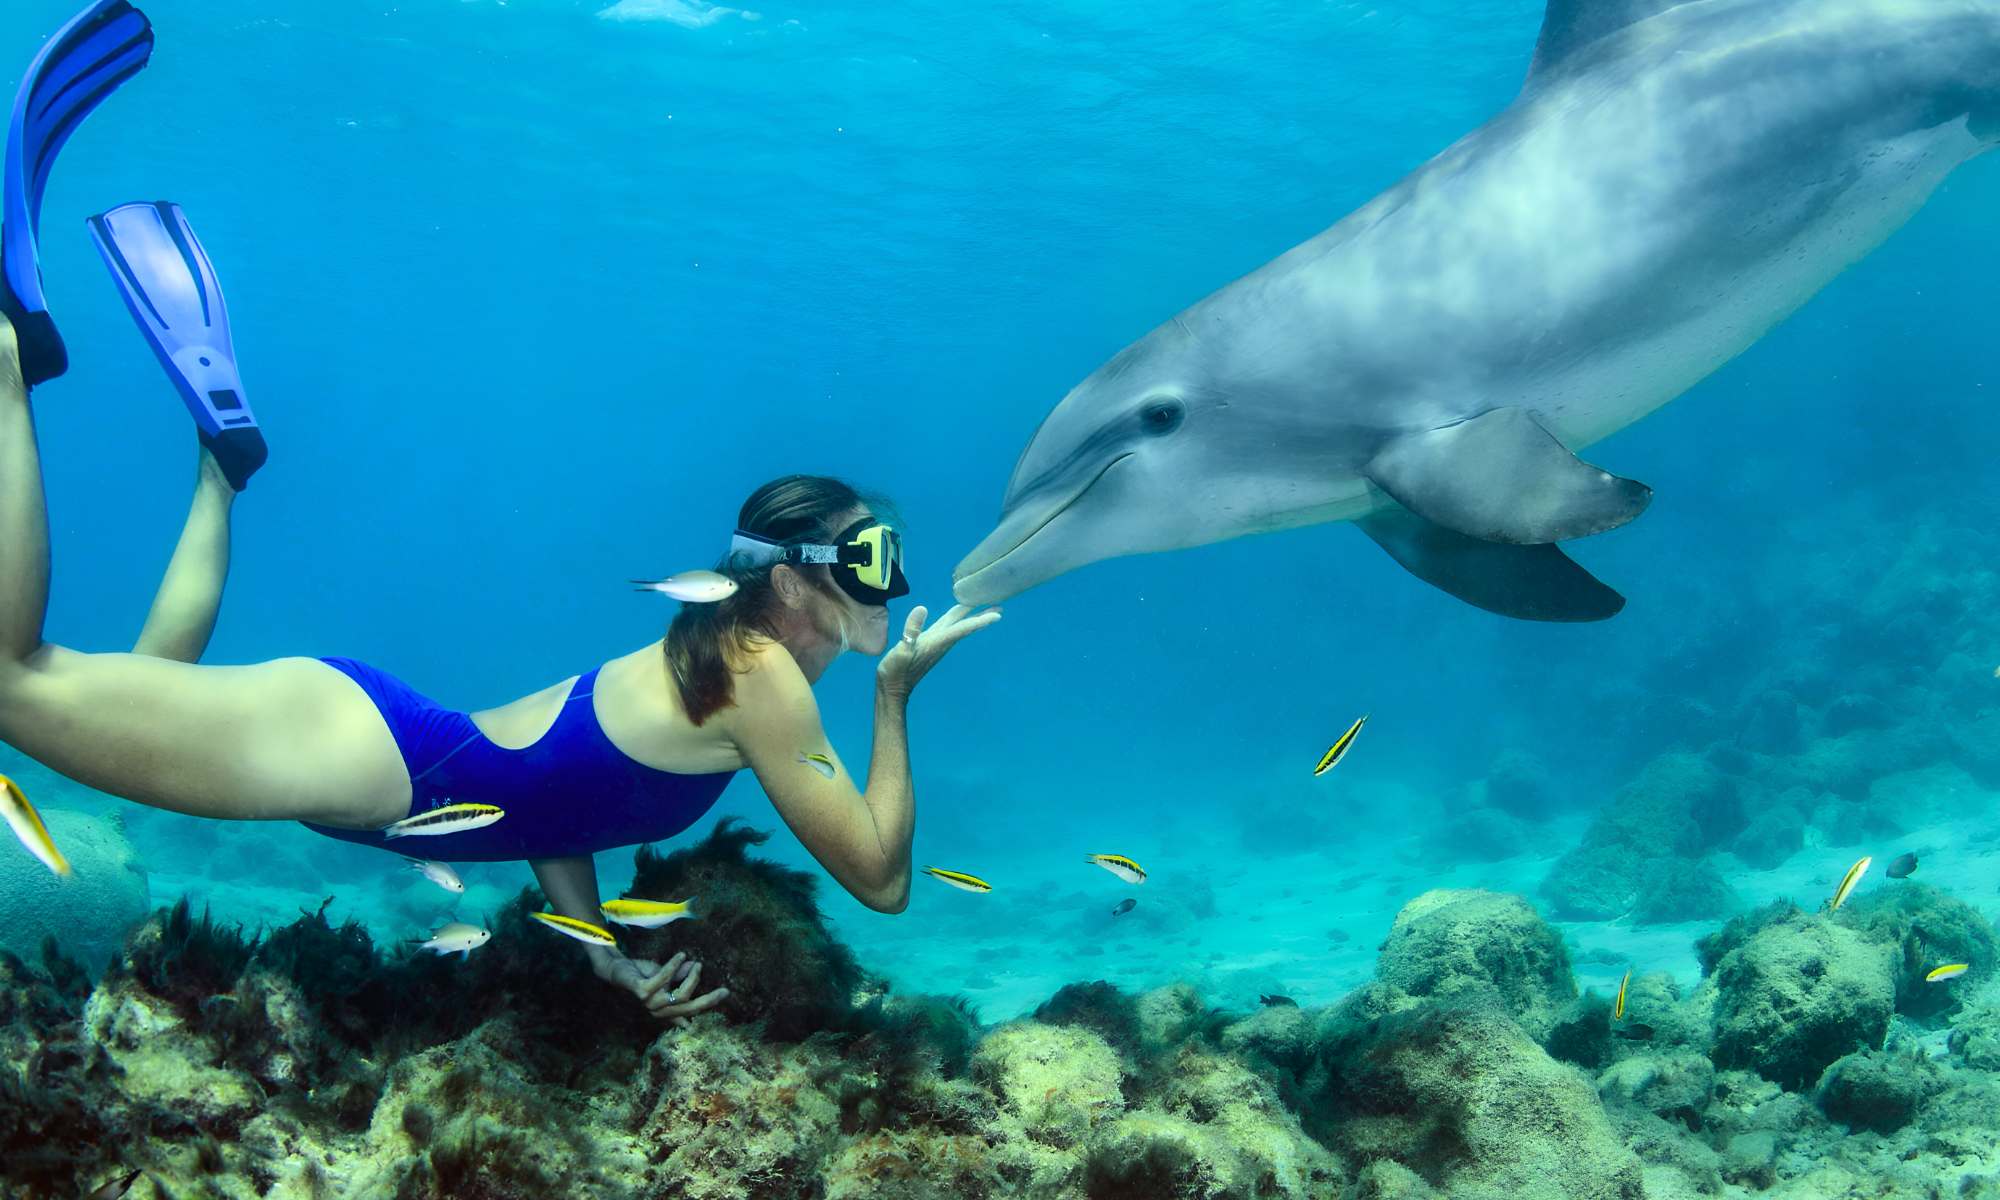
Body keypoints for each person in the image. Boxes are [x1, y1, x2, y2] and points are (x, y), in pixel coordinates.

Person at [0, 312, 1001, 1020]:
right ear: (788, 581)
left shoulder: (715, 658)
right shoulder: (759, 675)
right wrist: (893, 697)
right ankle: (9, 354)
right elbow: (881, 881)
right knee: (15, 681)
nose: (892, 580)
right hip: (365, 754)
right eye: (869, 557)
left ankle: (222, 471)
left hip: (366, 744)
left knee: (138, 685)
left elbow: (559, 808)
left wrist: (600, 953)